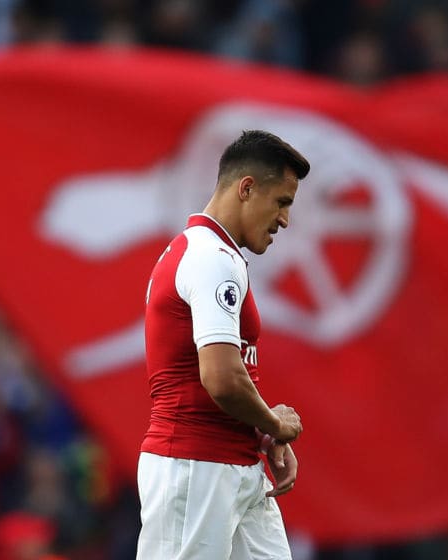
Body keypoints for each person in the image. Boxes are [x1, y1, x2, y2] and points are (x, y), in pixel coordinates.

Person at [137, 130, 310, 559]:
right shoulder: (210, 259)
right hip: (195, 467)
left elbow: (232, 374)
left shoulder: (211, 255)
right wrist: (274, 422)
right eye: (282, 202)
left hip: (237, 464)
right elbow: (221, 378)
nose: (285, 220)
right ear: (247, 188)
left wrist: (262, 433)